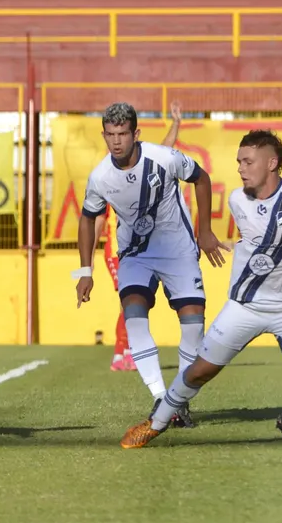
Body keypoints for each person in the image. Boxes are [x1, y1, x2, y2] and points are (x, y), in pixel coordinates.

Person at [121, 130, 282, 450]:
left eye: (248, 161)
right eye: (239, 161)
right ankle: (156, 423)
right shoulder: (236, 199)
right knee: (199, 372)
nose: (240, 168)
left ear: (272, 163)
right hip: (245, 306)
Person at [75, 102, 229, 428]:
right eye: (110, 135)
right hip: (134, 255)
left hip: (178, 251)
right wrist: (85, 271)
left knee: (192, 324)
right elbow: (87, 219)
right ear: (104, 135)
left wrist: (204, 232)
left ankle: (180, 400)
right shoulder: (100, 177)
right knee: (133, 314)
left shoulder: (164, 158)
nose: (116, 142)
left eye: (123, 134)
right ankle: (161, 398)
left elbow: (201, 179)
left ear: (136, 134)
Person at [98, 102, 183, 372]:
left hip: (137, 251)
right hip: (116, 251)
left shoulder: (142, 171)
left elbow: (163, 153)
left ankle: (125, 352)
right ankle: (123, 353)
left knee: (136, 300)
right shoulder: (110, 175)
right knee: (131, 299)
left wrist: (176, 124)